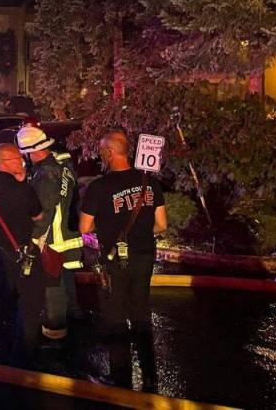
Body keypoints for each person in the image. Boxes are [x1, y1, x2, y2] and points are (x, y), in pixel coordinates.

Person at [80, 130, 167, 391]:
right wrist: (139, 232)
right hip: (144, 256)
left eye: (101, 151)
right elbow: (161, 225)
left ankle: (121, 381)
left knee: (115, 317)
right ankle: (150, 376)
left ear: (109, 152)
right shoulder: (150, 183)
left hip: (114, 260)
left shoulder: (99, 187)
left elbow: (85, 227)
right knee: (140, 312)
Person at [0, 143, 46, 365]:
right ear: (6, 162)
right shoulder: (22, 189)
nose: (22, 162)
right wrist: (23, 183)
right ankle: (23, 354)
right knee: (29, 302)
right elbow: (38, 216)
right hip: (21, 253)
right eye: (18, 159)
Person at [17, 124, 84, 341]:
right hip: (68, 234)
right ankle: (72, 313)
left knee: (52, 285)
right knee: (65, 278)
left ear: (30, 151)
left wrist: (32, 240)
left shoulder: (45, 175)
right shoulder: (62, 166)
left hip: (53, 240)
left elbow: (43, 212)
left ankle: (55, 332)